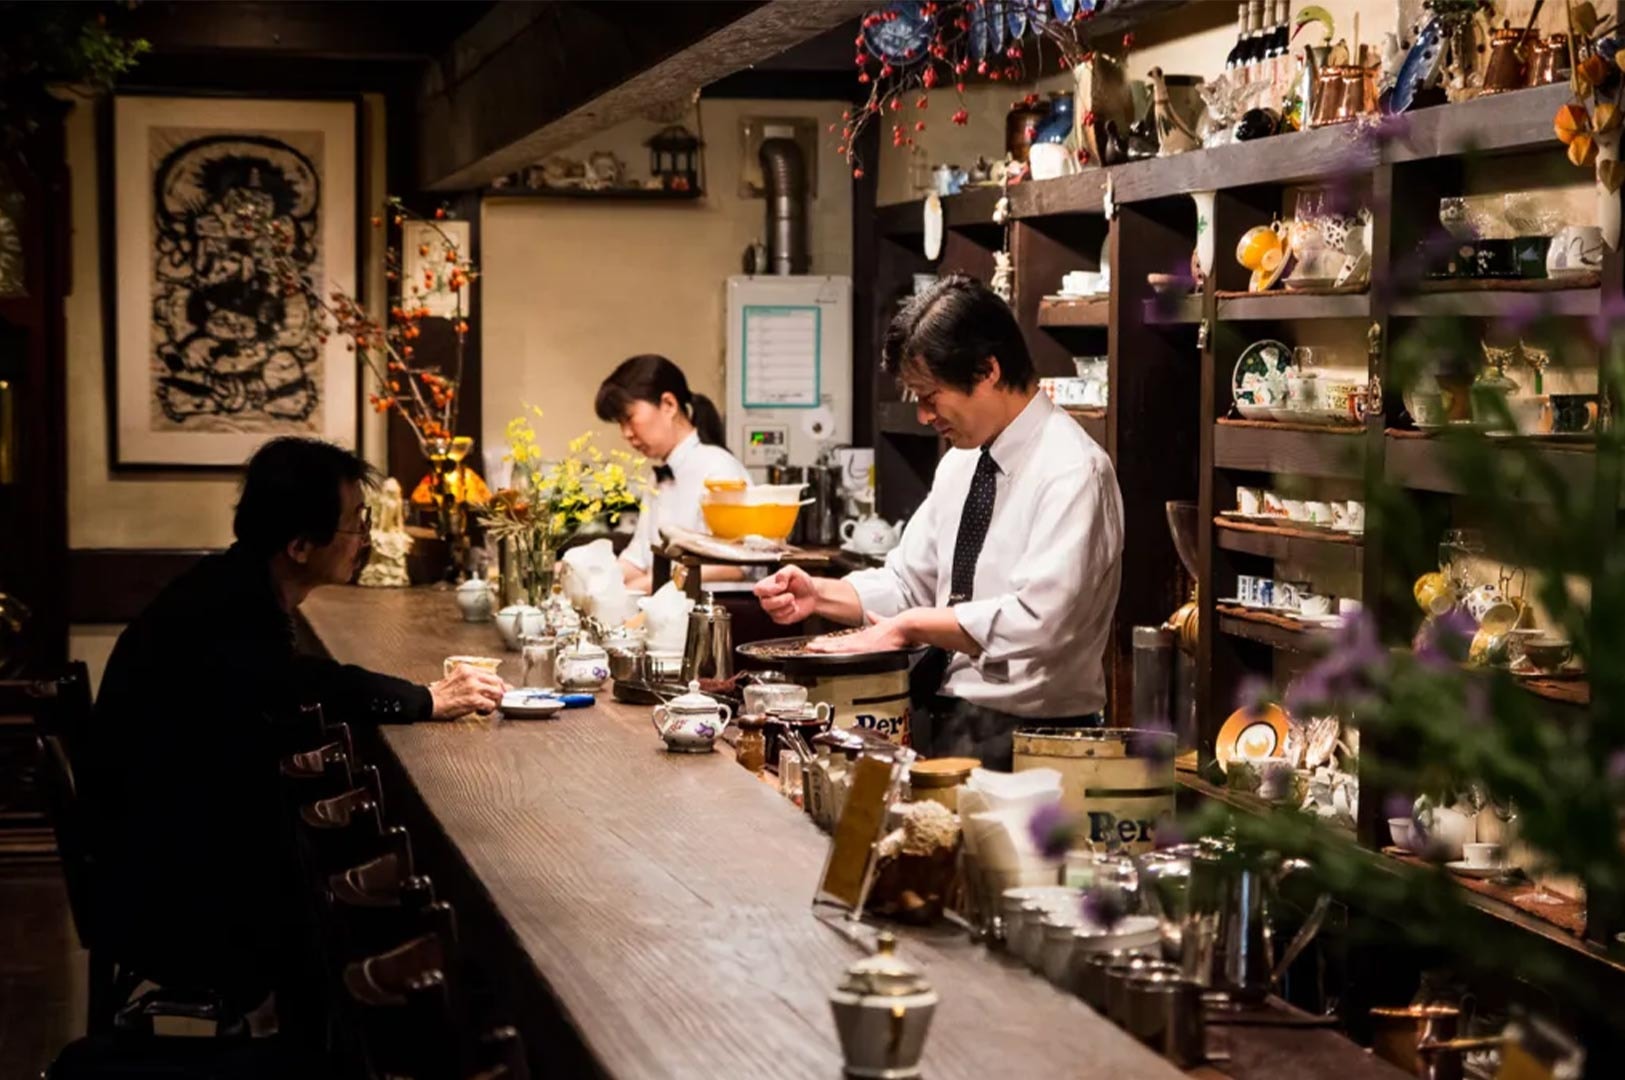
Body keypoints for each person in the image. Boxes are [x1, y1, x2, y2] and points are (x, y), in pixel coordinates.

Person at [89, 437, 505, 1025]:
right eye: (355, 525)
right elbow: (305, 685)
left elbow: (304, 683)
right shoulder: (226, 610)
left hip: (168, 853)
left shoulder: (233, 587)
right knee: (417, 893)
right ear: (300, 546)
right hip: (172, 893)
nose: (365, 538)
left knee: (386, 857)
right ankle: (372, 1020)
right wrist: (427, 699)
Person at [753, 274, 1123, 769]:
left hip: (1037, 739)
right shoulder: (962, 461)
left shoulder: (1073, 470)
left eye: (931, 396)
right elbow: (910, 582)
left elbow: (1039, 621)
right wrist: (819, 594)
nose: (926, 416)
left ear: (988, 370)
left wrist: (910, 627)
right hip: (945, 719)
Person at [595, 354, 751, 592]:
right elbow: (638, 559)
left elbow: (737, 565)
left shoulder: (719, 468)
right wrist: (594, 578)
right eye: (620, 424)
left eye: (629, 418)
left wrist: (652, 583)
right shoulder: (658, 477)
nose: (626, 433)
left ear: (668, 404)